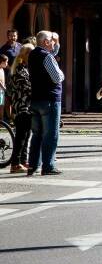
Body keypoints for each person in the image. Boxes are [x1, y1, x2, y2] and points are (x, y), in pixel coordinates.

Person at [27, 30, 64, 176]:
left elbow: (52, 54)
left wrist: (57, 40)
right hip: (50, 100)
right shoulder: (46, 56)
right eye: (51, 40)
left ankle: (33, 165)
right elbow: (56, 77)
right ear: (46, 42)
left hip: (35, 99)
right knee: (51, 134)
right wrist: (62, 73)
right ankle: (48, 166)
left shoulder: (33, 54)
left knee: (37, 134)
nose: (54, 42)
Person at [8, 44, 34, 173]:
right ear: (26, 55)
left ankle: (23, 161)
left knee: (26, 135)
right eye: (31, 54)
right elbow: (27, 88)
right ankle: (15, 164)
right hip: (22, 107)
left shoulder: (25, 68)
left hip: (26, 106)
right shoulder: (19, 69)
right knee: (21, 136)